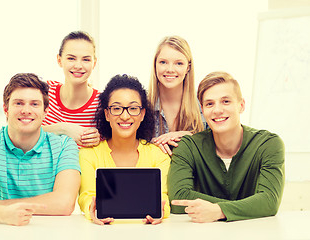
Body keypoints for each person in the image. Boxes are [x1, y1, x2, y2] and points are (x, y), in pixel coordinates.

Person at [0, 73, 81, 226]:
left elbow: (64, 203)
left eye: (34, 104)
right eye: (19, 103)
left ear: (45, 111)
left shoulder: (64, 147)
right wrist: (1, 214)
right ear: (6, 109)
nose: (26, 110)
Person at [168, 71, 285, 222]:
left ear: (241, 105)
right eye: (210, 104)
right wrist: (252, 207)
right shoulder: (188, 146)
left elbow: (269, 201)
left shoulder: (268, 144)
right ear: (202, 110)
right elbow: (179, 199)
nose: (217, 110)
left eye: (225, 101)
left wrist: (219, 211)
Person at [78, 74, 171, 225]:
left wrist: (161, 210)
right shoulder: (88, 154)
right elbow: (86, 195)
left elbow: (163, 197)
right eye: (116, 108)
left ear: (142, 114)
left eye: (133, 108)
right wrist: (93, 209)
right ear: (107, 114)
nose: (125, 116)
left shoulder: (159, 155)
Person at [148, 36, 205, 155]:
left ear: (188, 67)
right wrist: (151, 145)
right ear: (155, 65)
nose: (170, 69)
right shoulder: (141, 104)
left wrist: (189, 136)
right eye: (163, 62)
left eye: (178, 63)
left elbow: (216, 145)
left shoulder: (203, 104)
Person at [42, 31, 100, 147]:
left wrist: (103, 139)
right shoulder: (45, 92)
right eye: (71, 58)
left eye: (86, 59)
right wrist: (62, 128)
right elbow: (22, 132)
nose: (78, 66)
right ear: (59, 60)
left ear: (94, 63)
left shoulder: (102, 103)